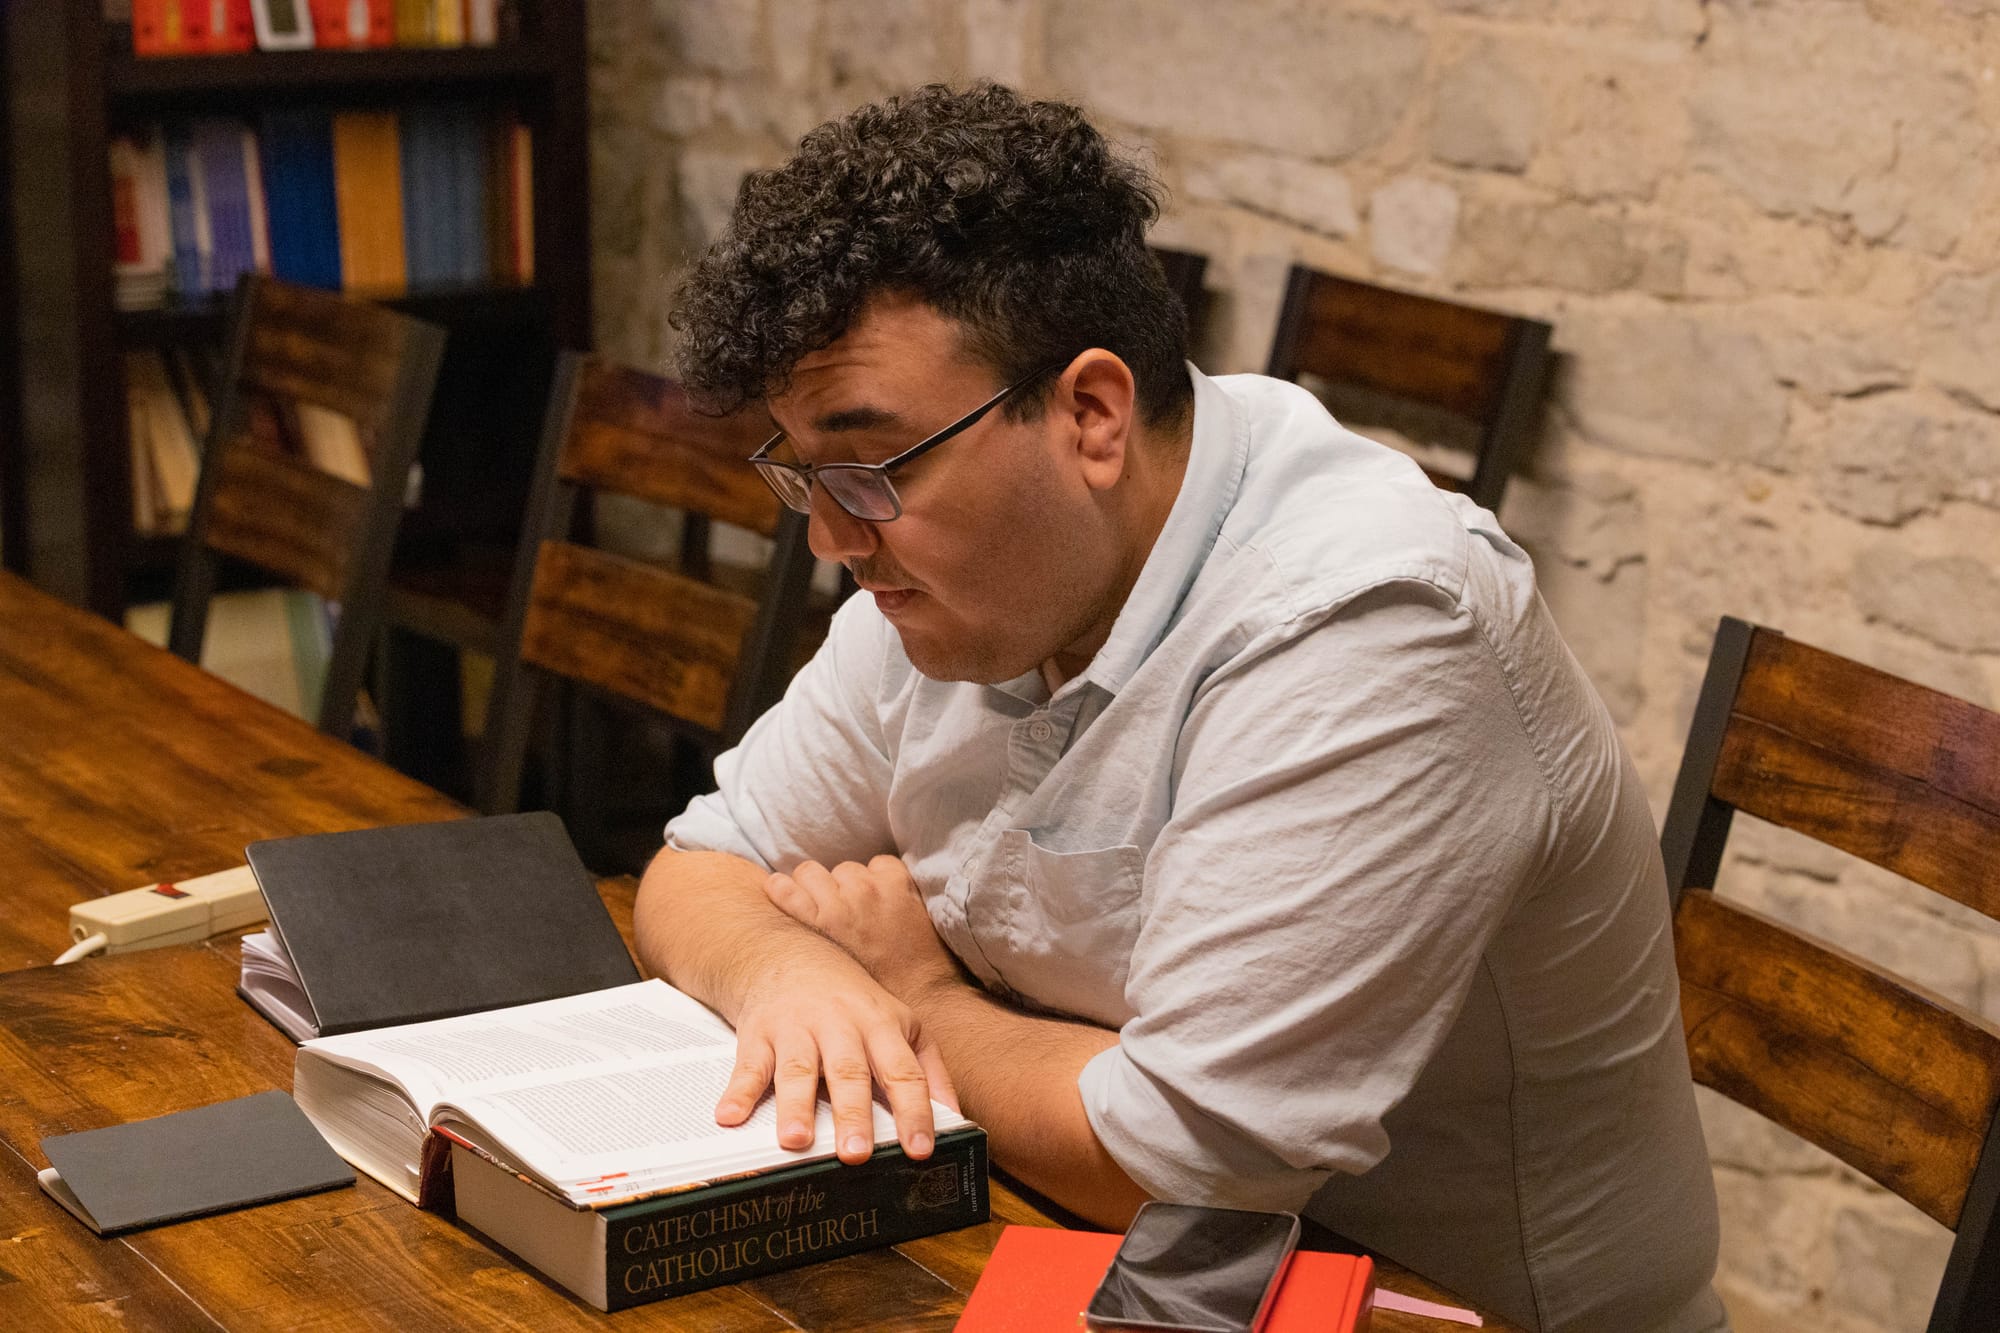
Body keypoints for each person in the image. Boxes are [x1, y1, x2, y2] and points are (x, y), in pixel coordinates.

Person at [633, 82, 1727, 1333]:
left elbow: (1175, 1161)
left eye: (869, 467)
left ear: (1090, 414)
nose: (831, 536)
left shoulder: (1368, 623)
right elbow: (698, 868)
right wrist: (786, 972)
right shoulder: (966, 574)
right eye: (800, 472)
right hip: (1088, 1260)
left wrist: (911, 991)